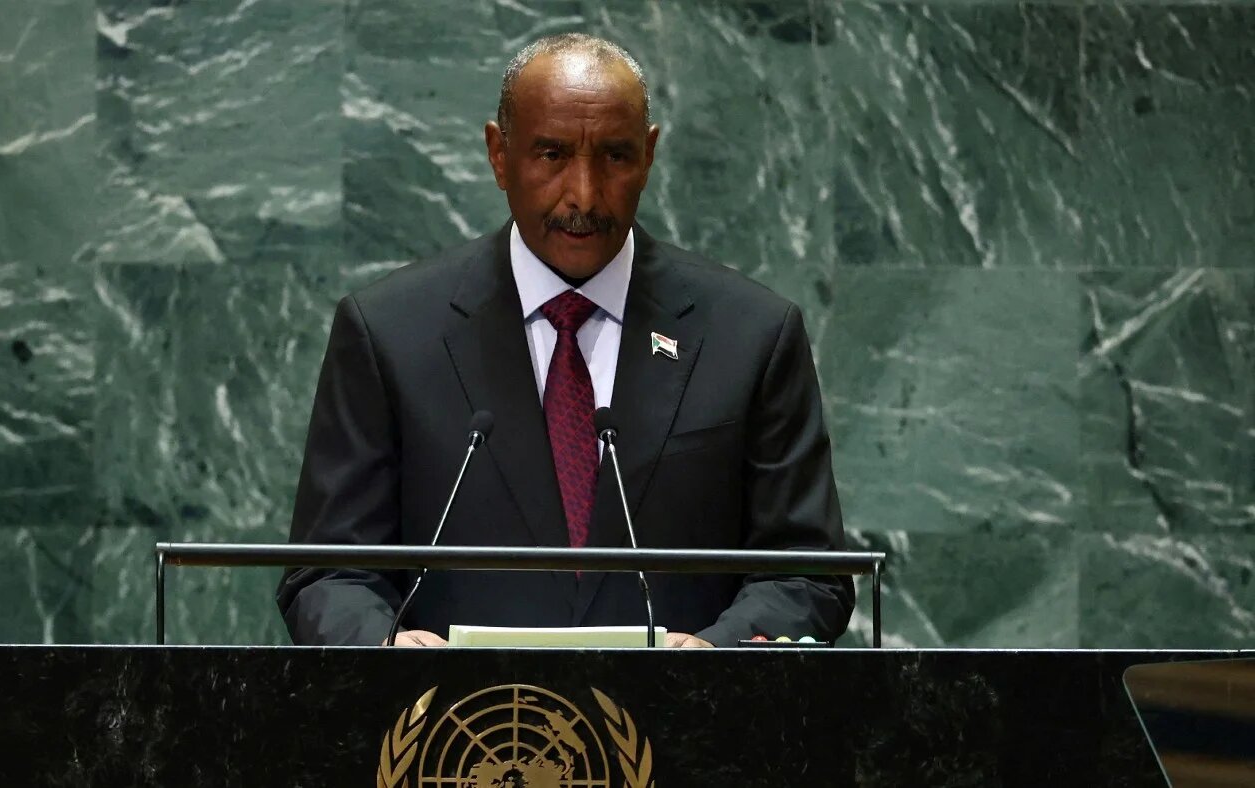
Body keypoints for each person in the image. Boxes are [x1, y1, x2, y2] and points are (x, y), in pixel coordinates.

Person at [277, 33, 853, 647]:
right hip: (457, 733)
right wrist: (390, 648)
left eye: (614, 157)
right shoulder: (389, 333)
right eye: (552, 154)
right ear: (499, 155)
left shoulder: (752, 335)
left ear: (650, 155)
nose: (583, 193)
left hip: (687, 728)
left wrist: (718, 653)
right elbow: (328, 572)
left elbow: (807, 570)